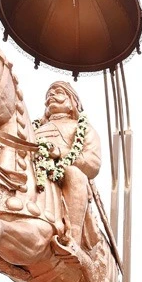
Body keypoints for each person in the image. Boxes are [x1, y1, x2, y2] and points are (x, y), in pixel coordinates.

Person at [32, 81, 103, 248]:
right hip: (36, 170)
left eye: (58, 92)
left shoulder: (81, 128)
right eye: (48, 94)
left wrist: (60, 152)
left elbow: (93, 163)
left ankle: (73, 240)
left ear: (73, 102)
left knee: (75, 174)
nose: (51, 96)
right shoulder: (34, 128)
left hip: (63, 172)